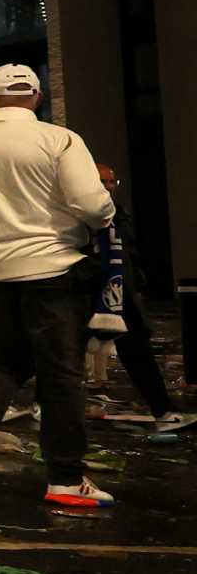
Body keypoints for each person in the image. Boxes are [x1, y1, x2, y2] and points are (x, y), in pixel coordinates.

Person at [0, 66, 117, 507]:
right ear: (36, 98)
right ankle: (66, 478)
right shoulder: (59, 140)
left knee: (2, 360)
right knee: (60, 374)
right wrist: (104, 217)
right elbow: (91, 203)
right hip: (52, 269)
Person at [90, 163, 193, 435]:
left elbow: (128, 251)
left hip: (119, 291)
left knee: (136, 349)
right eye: (102, 182)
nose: (108, 187)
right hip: (92, 290)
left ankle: (164, 411)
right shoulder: (84, 215)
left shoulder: (116, 213)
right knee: (62, 354)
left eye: (112, 182)